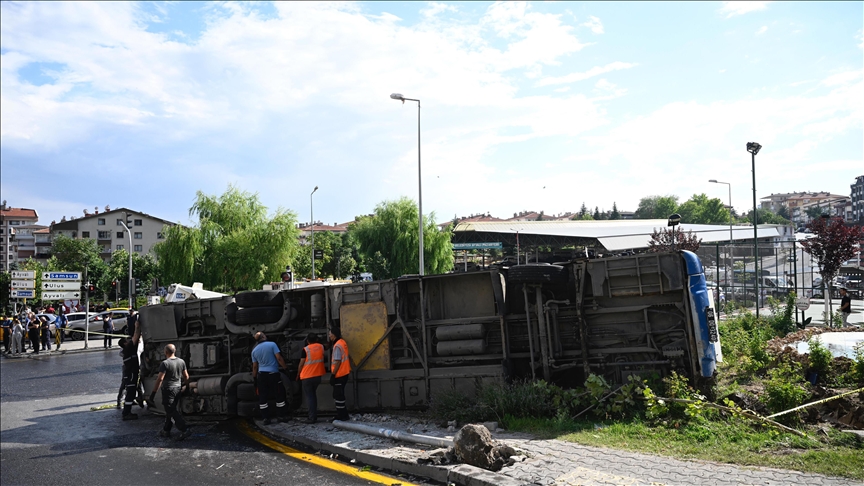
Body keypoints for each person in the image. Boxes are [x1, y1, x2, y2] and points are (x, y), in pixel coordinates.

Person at [148, 344, 192, 440]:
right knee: (170, 410)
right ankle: (166, 430)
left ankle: (184, 429)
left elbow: (160, 379)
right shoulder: (181, 361)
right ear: (174, 351)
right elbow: (186, 376)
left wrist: (152, 395)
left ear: (165, 352)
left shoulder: (165, 363)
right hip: (178, 389)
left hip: (168, 390)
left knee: (171, 411)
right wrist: (187, 387)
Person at [251, 332, 290, 425]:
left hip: (261, 375)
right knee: (279, 394)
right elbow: (279, 358)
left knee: (263, 397)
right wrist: (285, 368)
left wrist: (254, 378)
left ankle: (265, 418)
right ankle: (280, 416)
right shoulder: (272, 344)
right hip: (273, 374)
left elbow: (255, 367)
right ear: (263, 337)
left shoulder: (254, 350)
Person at [296, 333, 325, 424]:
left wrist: (298, 374)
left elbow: (301, 364)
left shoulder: (305, 350)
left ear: (307, 341)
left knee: (310, 397)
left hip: (307, 377)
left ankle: (312, 417)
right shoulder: (321, 347)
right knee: (313, 396)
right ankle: (313, 415)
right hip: (317, 376)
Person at [121, 316, 143, 420]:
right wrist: (137, 327)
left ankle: (127, 411)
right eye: (127, 340)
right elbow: (136, 336)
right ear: (125, 344)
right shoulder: (129, 349)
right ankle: (126, 413)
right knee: (130, 394)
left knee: (131, 393)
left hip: (130, 375)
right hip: (131, 375)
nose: (129, 341)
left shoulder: (127, 351)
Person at [328, 328, 351, 422]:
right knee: (340, 395)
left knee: (338, 395)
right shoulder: (342, 342)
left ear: (334, 335)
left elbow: (337, 361)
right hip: (344, 373)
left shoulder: (337, 346)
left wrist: (333, 375)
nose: (329, 336)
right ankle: (344, 414)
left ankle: (341, 415)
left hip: (339, 374)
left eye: (330, 334)